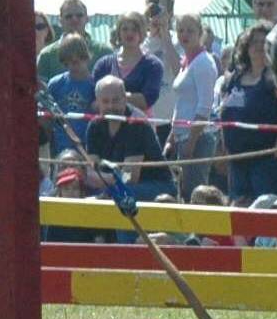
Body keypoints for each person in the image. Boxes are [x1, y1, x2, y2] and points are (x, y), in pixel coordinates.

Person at [216, 21, 277, 203]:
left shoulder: (274, 78)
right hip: (237, 158)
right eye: (254, 42)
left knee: (265, 209)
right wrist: (223, 146)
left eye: (264, 42)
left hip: (266, 161)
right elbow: (224, 113)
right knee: (239, 209)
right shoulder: (234, 78)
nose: (259, 46)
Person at [84, 76, 176, 207]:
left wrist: (100, 180)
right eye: (105, 101)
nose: (111, 106)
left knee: (121, 195)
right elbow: (91, 171)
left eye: (115, 100)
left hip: (155, 184)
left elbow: (129, 178)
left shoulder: (137, 124)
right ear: (97, 102)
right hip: (112, 185)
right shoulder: (94, 126)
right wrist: (97, 179)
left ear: (125, 98)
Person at [167, 14, 221, 195]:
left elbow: (204, 107)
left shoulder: (204, 63)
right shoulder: (187, 62)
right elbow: (182, 103)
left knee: (196, 192)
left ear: (200, 32)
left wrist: (192, 141)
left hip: (199, 138)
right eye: (181, 30)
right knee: (184, 190)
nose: (185, 35)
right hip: (182, 136)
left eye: (190, 30)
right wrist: (172, 136)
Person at [94, 11, 165, 114]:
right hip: (108, 126)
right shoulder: (103, 65)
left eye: (134, 29)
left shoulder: (153, 65)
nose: (129, 33)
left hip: (140, 126)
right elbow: (94, 100)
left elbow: (147, 100)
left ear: (142, 32)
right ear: (118, 32)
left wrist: (110, 97)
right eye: (125, 29)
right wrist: (129, 97)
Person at [45, 34, 99, 152]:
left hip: (86, 147)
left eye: (78, 60)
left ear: (86, 57)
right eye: (68, 62)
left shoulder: (95, 86)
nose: (74, 65)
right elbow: (47, 118)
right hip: (60, 146)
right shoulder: (55, 84)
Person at [38, 0, 110, 80]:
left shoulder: (104, 52)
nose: (74, 19)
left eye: (79, 15)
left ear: (87, 19)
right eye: (68, 16)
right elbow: (41, 89)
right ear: (60, 21)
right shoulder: (47, 55)